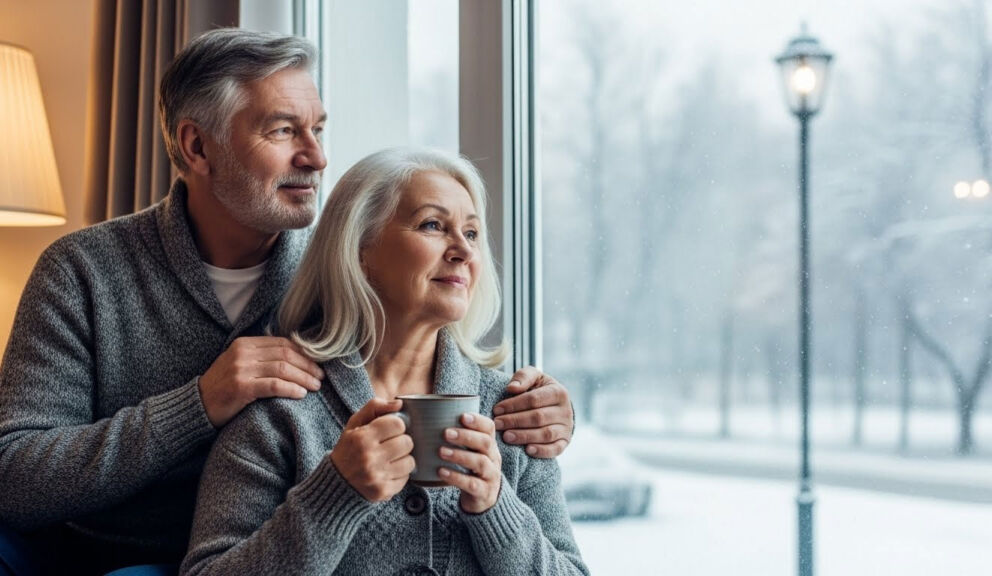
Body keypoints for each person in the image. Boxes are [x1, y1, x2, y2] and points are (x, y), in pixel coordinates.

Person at [0, 29, 574, 576]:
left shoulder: (351, 268)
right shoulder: (83, 271)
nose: (317, 158)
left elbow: (426, 340)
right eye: (282, 132)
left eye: (318, 130)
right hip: (122, 555)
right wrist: (200, 402)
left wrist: (544, 415)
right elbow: (13, 478)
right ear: (196, 146)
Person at [180, 147, 588, 576]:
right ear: (360, 249)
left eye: (471, 233)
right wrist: (333, 495)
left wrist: (497, 509)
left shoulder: (514, 414)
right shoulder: (280, 411)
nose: (463, 252)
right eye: (433, 225)